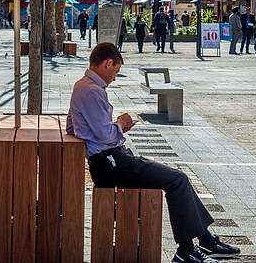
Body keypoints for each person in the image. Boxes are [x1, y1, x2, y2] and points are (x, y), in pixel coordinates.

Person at [67, 43, 240, 263]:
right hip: (111, 163)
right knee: (177, 180)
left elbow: (72, 127)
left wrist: (102, 132)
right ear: (108, 63)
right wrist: (120, 124)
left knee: (177, 179)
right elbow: (104, 135)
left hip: (107, 161)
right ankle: (188, 250)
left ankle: (203, 242)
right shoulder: (92, 90)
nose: (114, 78)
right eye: (116, 72)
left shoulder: (81, 85)